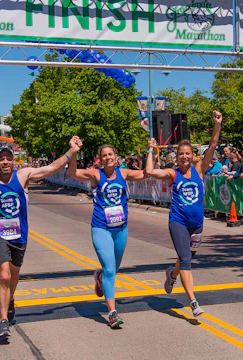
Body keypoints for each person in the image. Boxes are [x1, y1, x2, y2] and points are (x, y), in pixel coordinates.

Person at [0, 137, 82, 339]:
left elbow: (52, 168)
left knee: (14, 273)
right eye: (1, 158)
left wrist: (71, 152)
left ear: (13, 161)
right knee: (4, 274)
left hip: (19, 235)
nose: (5, 162)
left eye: (8, 158)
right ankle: (3, 321)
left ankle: (9, 299)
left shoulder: (23, 176)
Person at [145, 110, 223, 317]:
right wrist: (151, 151)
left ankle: (172, 273)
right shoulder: (173, 174)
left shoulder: (199, 169)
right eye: (181, 154)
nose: (185, 156)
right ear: (177, 157)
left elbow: (213, 145)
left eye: (188, 153)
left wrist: (217, 125)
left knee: (187, 257)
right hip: (178, 221)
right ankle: (193, 302)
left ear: (192, 155)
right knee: (186, 259)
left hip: (196, 223)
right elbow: (150, 172)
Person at [68, 140, 151, 329]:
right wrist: (73, 152)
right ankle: (112, 313)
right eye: (104, 155)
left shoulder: (124, 173)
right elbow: (73, 173)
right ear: (100, 159)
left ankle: (99, 276)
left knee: (112, 269)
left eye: (110, 155)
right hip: (101, 228)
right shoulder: (96, 175)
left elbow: (147, 174)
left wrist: (151, 151)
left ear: (116, 157)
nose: (107, 158)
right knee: (111, 270)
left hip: (121, 228)